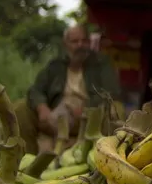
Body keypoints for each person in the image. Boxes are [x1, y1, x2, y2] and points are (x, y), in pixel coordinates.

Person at [17, 24, 121, 154]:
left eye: (84, 41)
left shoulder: (101, 63)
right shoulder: (55, 65)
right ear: (66, 44)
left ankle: (104, 158)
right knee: (21, 109)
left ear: (89, 43)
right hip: (57, 112)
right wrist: (42, 107)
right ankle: (26, 159)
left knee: (116, 108)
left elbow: (112, 92)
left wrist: (87, 107)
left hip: (89, 115)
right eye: (75, 41)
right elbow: (35, 90)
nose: (80, 45)